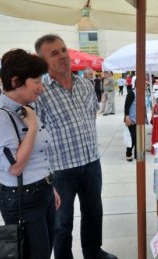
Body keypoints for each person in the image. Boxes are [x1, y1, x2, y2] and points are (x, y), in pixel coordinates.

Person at [34, 34, 117, 259]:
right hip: (60, 169)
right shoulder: (40, 93)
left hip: (91, 161)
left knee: (93, 213)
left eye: (63, 50)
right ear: (43, 61)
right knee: (62, 222)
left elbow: (91, 116)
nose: (62, 56)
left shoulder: (85, 85)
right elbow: (35, 136)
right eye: (54, 53)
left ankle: (93, 251)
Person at [0, 49, 61, 259]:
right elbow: (15, 166)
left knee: (44, 251)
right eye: (36, 81)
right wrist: (33, 127)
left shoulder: (26, 110)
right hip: (22, 198)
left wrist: (49, 186)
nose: (42, 88)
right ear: (17, 81)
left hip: (41, 190)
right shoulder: (0, 117)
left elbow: (38, 156)